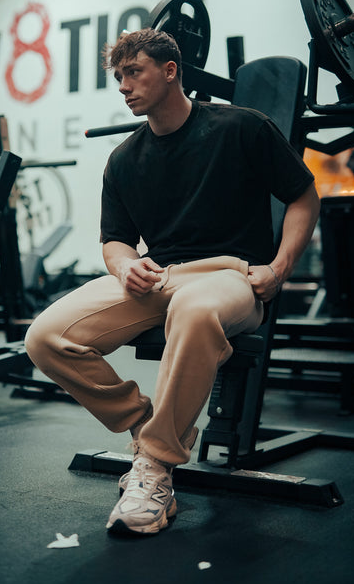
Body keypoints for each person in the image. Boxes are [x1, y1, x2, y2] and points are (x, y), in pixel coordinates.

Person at [25, 28, 320, 536]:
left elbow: (303, 196)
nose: (124, 86)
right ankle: (145, 425)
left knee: (196, 309)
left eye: (133, 72)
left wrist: (279, 268)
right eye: (118, 77)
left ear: (170, 70)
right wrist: (123, 266)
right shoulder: (124, 159)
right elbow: (115, 241)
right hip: (158, 275)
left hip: (231, 276)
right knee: (45, 337)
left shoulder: (242, 127)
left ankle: (156, 468)